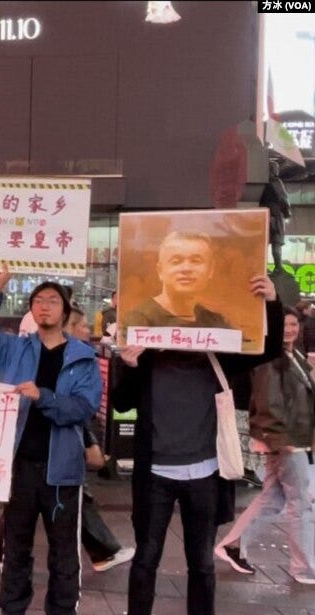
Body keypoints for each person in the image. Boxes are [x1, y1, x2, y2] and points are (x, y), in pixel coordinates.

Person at [114, 274, 282, 615]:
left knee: (202, 563)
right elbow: (120, 403)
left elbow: (269, 347)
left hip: (205, 473)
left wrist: (272, 303)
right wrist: (128, 364)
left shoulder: (216, 357)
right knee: (146, 559)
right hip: (155, 475)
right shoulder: (143, 357)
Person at [0, 264, 102, 615]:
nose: (44, 306)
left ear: (66, 310)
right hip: (19, 467)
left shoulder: (84, 357)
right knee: (15, 548)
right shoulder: (14, 348)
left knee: (63, 555)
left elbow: (84, 407)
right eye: (38, 301)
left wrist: (44, 397)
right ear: (31, 310)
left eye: (53, 301)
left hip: (62, 472)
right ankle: (12, 608)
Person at [214, 307, 315, 584]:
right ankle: (304, 568)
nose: (290, 330)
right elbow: (269, 402)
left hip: (293, 438)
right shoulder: (270, 359)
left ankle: (233, 545)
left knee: (275, 498)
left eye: (294, 324)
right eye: (284, 325)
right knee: (301, 503)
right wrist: (282, 441)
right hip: (285, 441)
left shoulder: (293, 357)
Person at [123, 231, 232, 329]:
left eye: (196, 261)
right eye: (176, 261)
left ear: (210, 270)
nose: (186, 269)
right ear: (160, 271)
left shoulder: (215, 321)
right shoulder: (139, 320)